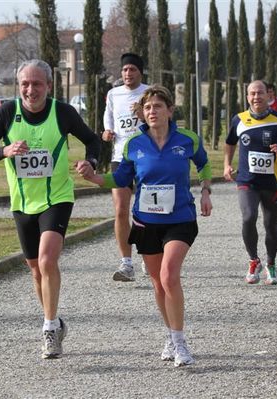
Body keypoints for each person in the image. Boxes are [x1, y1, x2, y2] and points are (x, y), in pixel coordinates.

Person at [0, 59, 101, 359]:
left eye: (37, 84)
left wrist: (90, 163)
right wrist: (5, 150)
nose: (31, 90)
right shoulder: (6, 113)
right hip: (22, 202)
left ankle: (49, 329)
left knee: (46, 261)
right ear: (19, 87)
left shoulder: (63, 113)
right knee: (34, 269)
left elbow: (93, 140)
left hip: (57, 197)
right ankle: (54, 320)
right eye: (25, 84)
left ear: (49, 86)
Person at [77, 84, 212, 367]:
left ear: (169, 110)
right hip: (146, 221)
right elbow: (121, 179)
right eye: (147, 108)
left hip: (180, 220)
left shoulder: (187, 139)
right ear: (142, 113)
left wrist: (206, 191)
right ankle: (170, 334)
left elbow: (203, 164)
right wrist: (95, 178)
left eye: (158, 106)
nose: (152, 111)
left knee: (169, 275)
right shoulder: (133, 144)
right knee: (158, 285)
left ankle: (180, 342)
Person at [223, 80, 277, 285]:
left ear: (268, 95)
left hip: (272, 182)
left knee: (271, 226)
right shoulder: (238, 119)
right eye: (252, 94)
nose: (256, 97)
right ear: (247, 97)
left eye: (260, 93)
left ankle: (271, 263)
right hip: (246, 180)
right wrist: (226, 165)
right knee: (248, 216)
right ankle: (253, 260)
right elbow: (229, 143)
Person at [102, 52, 149, 282]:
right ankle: (126, 263)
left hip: (146, 156)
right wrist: (107, 132)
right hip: (121, 157)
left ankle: (149, 254)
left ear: (141, 71)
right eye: (124, 70)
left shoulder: (149, 93)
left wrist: (142, 114)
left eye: (132, 69)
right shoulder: (113, 94)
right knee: (121, 209)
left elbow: (163, 121)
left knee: (147, 209)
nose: (128, 74)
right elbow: (108, 120)